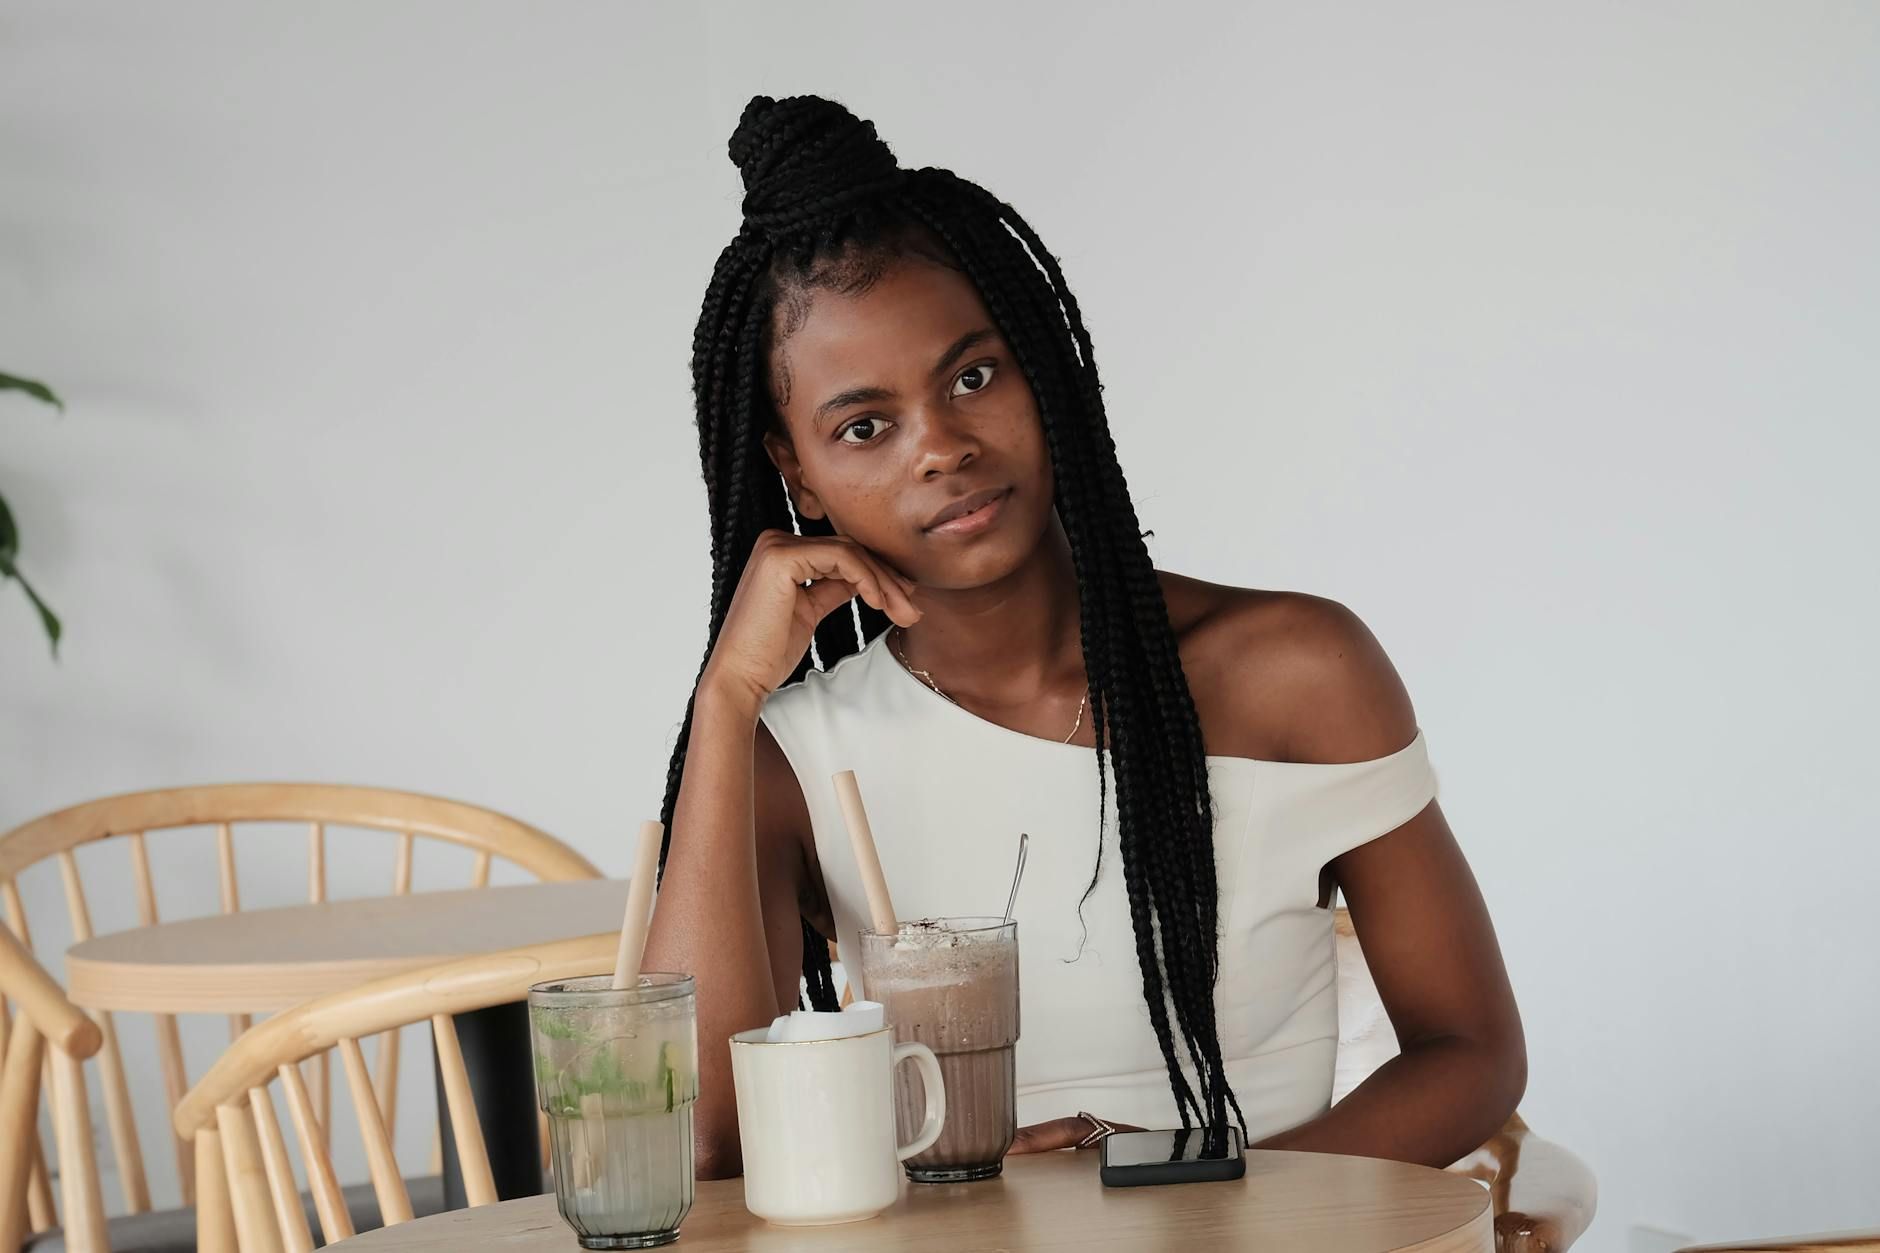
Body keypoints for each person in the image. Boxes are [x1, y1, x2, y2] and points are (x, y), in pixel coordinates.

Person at [641, 93, 1526, 1180]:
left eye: (973, 375)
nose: (942, 448)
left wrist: (1191, 1205)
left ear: (1042, 369)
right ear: (796, 471)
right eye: (863, 426)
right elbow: (700, 1148)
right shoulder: (795, 754)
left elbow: (1470, 1051)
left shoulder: (1296, 670)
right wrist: (724, 703)